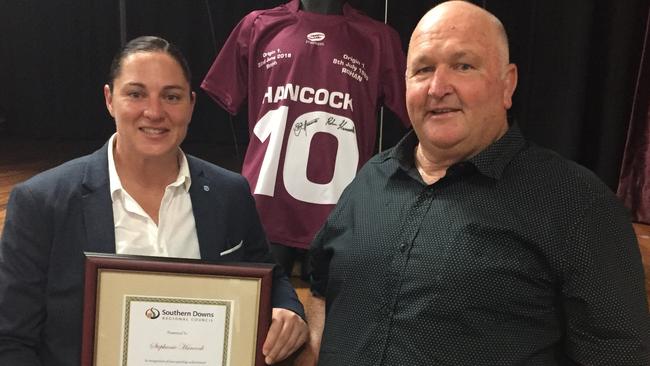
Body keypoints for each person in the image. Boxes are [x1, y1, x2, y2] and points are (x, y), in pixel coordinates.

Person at [305, 1, 650, 365]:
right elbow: (320, 289)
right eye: (423, 69)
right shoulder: (369, 181)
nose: (438, 88)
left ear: (507, 84)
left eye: (463, 66)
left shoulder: (577, 203)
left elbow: (619, 355)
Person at [0, 36, 307, 366]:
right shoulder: (41, 203)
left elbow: (269, 275)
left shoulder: (229, 193)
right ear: (109, 99)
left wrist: (288, 309)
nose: (155, 111)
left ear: (190, 104)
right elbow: (11, 339)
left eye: (171, 97)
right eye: (136, 94)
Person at [201, 0, 410, 281]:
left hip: (340, 213)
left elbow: (415, 111)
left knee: (334, 318)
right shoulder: (257, 26)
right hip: (265, 207)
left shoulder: (378, 39)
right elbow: (226, 92)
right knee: (258, 315)